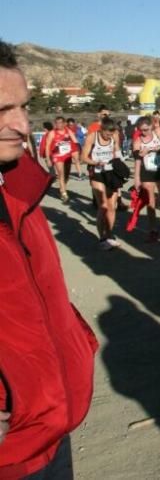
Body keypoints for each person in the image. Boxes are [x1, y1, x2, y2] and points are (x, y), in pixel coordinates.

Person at [0, 39, 98, 478]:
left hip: (52, 429)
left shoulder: (21, 188)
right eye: (2, 111)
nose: (22, 125)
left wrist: (75, 342)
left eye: (24, 107)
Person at [81, 116, 125, 249]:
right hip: (97, 172)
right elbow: (83, 157)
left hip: (111, 172)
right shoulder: (92, 137)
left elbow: (117, 152)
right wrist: (95, 162)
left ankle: (110, 235)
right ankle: (102, 238)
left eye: (111, 134)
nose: (109, 136)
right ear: (102, 130)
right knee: (103, 206)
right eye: (107, 134)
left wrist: (120, 164)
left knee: (112, 206)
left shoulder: (114, 136)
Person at [132, 115, 160, 241]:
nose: (144, 132)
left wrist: (152, 149)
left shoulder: (157, 132)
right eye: (141, 130)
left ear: (151, 127)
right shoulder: (138, 141)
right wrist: (136, 178)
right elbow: (137, 160)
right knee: (150, 202)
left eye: (146, 129)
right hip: (147, 172)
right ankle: (153, 229)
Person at [42, 116, 77, 203]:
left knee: (66, 174)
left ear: (64, 123)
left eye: (60, 123)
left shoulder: (68, 131)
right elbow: (47, 147)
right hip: (57, 156)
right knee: (61, 173)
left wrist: (76, 154)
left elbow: (75, 141)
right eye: (56, 123)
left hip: (68, 155)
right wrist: (48, 159)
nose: (58, 125)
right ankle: (64, 193)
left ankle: (62, 187)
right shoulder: (52, 133)